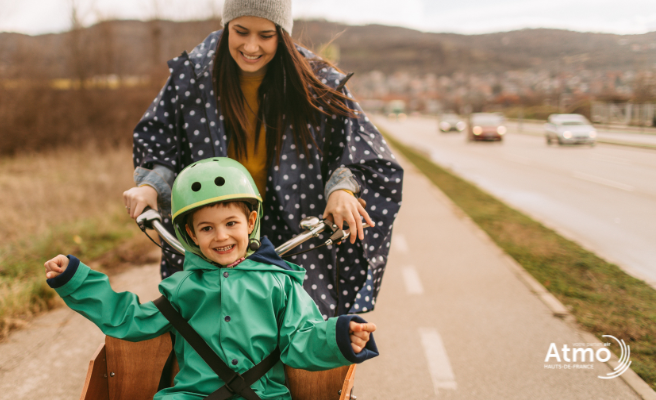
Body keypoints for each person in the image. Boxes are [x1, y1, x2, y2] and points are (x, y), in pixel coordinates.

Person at [123, 0, 403, 318]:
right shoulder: (192, 76)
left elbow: (361, 149)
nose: (251, 46)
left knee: (308, 332)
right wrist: (151, 185)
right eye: (241, 31)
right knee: (199, 330)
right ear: (226, 25)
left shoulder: (318, 81)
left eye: (266, 35)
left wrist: (343, 188)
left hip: (295, 237)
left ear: (282, 34)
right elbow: (160, 140)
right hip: (216, 234)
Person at [46, 158, 378, 399]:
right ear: (190, 233)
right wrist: (77, 280)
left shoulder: (280, 284)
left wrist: (339, 338)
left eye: (231, 223)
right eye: (207, 228)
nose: (221, 236)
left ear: (250, 222)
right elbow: (129, 319)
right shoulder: (181, 288)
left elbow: (300, 342)